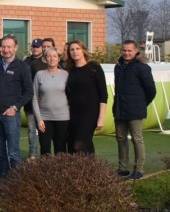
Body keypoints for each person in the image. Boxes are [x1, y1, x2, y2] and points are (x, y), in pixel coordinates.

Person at [0, 35, 32, 187]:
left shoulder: (22, 67)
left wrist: (15, 108)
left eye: (9, 47)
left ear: (15, 48)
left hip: (11, 116)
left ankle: (16, 185)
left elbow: (28, 92)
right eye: (3, 47)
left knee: (13, 152)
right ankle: (4, 182)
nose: (5, 50)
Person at [114, 40, 156, 180]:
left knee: (137, 139)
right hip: (120, 109)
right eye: (124, 50)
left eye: (129, 50)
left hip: (135, 110)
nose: (126, 53)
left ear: (136, 51)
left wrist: (141, 104)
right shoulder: (118, 66)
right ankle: (122, 169)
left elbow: (151, 90)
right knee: (121, 138)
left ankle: (139, 169)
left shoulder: (142, 67)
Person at [65, 40, 107, 154]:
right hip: (73, 114)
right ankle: (91, 170)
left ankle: (89, 170)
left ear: (83, 50)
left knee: (79, 144)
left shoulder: (94, 68)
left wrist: (101, 118)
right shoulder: (70, 70)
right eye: (72, 50)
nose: (75, 52)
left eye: (77, 49)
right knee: (80, 146)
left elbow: (103, 94)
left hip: (90, 114)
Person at [32, 47, 69, 155]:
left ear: (58, 59)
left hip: (63, 118)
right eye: (49, 56)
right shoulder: (39, 75)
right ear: (45, 59)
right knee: (45, 149)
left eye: (54, 56)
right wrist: (39, 119)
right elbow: (34, 97)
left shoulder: (65, 75)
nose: (52, 59)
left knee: (61, 149)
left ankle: (61, 172)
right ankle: (45, 172)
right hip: (44, 118)